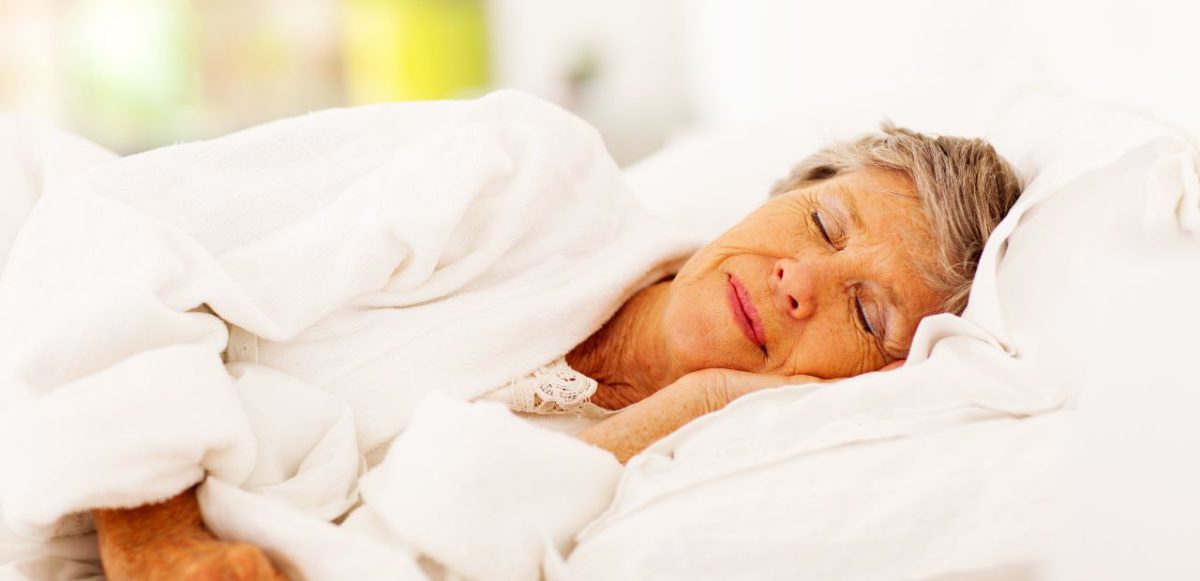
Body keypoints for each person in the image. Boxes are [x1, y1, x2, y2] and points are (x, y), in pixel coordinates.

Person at [0, 95, 1021, 580]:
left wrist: (697, 401)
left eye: (866, 311)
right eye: (824, 226)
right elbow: (128, 229)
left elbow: (415, 545)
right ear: (775, 198)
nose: (805, 280)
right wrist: (156, 529)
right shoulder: (528, 174)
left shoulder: (701, 465)